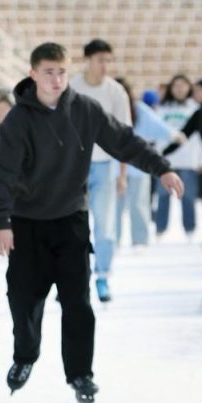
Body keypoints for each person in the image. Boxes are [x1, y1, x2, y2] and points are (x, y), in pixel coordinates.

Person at [0, 43, 182, 403]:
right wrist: (1, 221)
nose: (56, 78)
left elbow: (124, 141)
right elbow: (0, 174)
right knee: (23, 300)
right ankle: (25, 356)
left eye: (61, 71)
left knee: (78, 302)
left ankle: (80, 374)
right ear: (33, 74)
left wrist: (162, 168)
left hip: (71, 220)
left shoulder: (85, 110)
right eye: (48, 71)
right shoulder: (18, 119)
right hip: (28, 222)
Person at [68, 39, 132, 303]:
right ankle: (72, 280)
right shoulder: (72, 87)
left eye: (108, 60)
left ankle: (103, 276)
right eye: (99, 60)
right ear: (88, 60)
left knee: (105, 227)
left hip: (105, 168)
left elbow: (124, 136)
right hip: (74, 168)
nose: (104, 65)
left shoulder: (116, 92)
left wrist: (123, 174)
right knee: (72, 226)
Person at [114, 77, 179, 248]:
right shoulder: (105, 109)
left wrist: (174, 135)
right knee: (114, 207)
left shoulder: (139, 110)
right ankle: (113, 240)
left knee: (139, 205)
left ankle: (140, 241)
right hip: (113, 169)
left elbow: (160, 126)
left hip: (137, 167)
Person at [155, 74, 202, 240]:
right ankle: (160, 229)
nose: (179, 89)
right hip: (165, 161)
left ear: (189, 88)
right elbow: (157, 136)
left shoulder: (195, 108)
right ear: (171, 88)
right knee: (162, 196)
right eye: (176, 85)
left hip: (188, 161)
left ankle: (190, 229)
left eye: (183, 85)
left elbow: (198, 138)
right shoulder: (162, 108)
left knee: (188, 196)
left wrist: (200, 159)